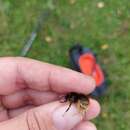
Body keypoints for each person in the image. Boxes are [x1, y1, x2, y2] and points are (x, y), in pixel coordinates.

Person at [0, 57, 100, 130]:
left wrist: (67, 112)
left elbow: (74, 101)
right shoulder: (74, 97)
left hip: (82, 101)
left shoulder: (74, 98)